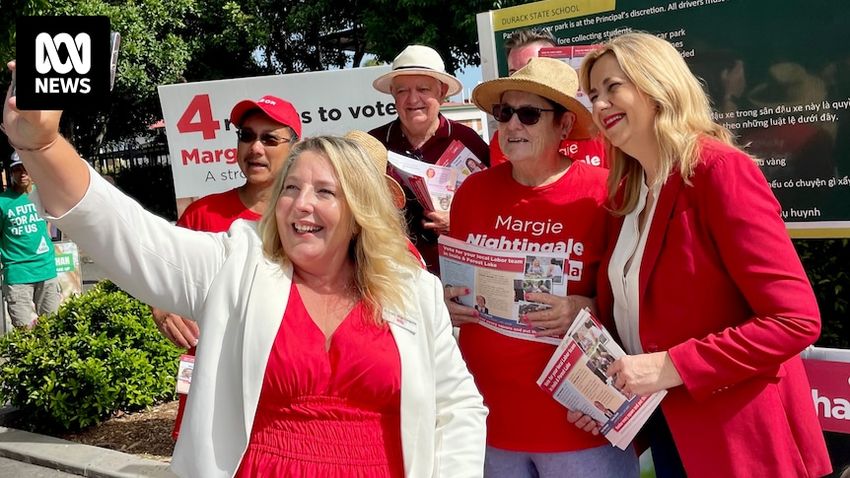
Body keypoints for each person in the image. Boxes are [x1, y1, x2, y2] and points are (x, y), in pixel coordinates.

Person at [3, 60, 487, 478]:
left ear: (361, 210)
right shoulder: (237, 263)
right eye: (291, 189)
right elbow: (127, 232)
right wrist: (43, 145)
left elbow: (459, 407)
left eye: (325, 192)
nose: (301, 205)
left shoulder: (413, 290)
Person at [575, 32, 831, 478]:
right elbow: (648, 314)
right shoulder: (627, 195)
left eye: (613, 87)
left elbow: (795, 320)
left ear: (657, 84)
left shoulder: (718, 171)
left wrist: (670, 366)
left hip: (740, 437)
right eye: (593, 94)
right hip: (667, 431)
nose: (599, 104)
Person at [444, 58, 637, 477]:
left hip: (578, 422)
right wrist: (448, 303)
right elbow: (456, 277)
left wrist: (583, 305)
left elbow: (635, 299)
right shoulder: (473, 192)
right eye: (504, 113)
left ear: (564, 127)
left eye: (529, 114)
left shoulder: (602, 194)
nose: (512, 125)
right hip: (490, 420)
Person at [153, 95, 302, 441]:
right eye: (246, 136)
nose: (255, 148)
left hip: (282, 385)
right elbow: (162, 277)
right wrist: (161, 309)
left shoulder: (308, 218)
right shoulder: (202, 214)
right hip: (211, 382)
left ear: (295, 148)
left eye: (269, 138)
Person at [370, 44, 490, 274]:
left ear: (442, 92)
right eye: (403, 90)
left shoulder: (468, 141)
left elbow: (497, 208)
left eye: (423, 89)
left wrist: (460, 222)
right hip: (393, 277)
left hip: (460, 276)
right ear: (393, 94)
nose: (413, 99)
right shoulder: (373, 144)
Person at [489, 28, 606, 169]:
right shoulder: (507, 136)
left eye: (532, 69)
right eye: (515, 73)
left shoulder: (601, 126)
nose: (523, 79)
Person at [0, 152, 60, 328]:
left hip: (46, 269)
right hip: (18, 274)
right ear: (12, 173)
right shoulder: (3, 202)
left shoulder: (43, 194)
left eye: (26, 168)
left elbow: (52, 215)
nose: (23, 173)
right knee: (25, 333)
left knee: (52, 329)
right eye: (17, 169)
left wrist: (47, 229)